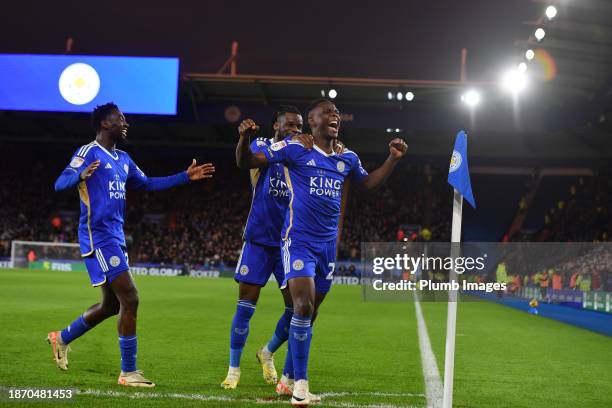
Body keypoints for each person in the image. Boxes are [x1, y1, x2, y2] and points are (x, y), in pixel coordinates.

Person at [236, 98, 407, 405]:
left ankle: (287, 381)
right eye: (327, 113)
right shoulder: (295, 148)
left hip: (328, 247)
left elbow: (368, 184)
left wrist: (392, 159)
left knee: (309, 314)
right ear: (311, 122)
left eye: (337, 114)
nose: (334, 117)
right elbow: (246, 161)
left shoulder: (347, 157)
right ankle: (301, 388)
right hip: (297, 240)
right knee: (301, 307)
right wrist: (243, 139)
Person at [48, 102, 215, 387]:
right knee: (132, 298)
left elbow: (148, 183)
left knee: (111, 305)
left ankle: (61, 338)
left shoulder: (123, 158)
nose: (126, 123)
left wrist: (185, 177)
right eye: (120, 119)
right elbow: (60, 183)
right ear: (104, 124)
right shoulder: (88, 153)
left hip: (116, 236)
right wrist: (80, 175)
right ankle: (128, 372)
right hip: (98, 236)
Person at [222, 106, 313, 389]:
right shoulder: (263, 147)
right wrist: (242, 139)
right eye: (290, 125)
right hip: (259, 241)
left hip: (289, 244)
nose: (295, 130)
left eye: (299, 126)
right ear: (276, 125)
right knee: (246, 307)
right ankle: (233, 369)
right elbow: (243, 161)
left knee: (297, 309)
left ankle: (267, 352)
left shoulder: (300, 154)